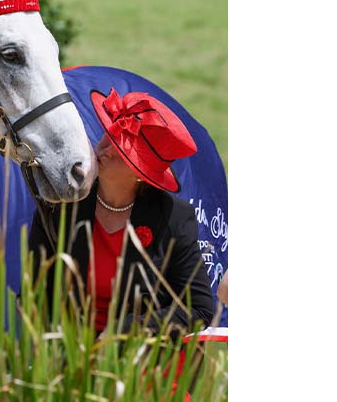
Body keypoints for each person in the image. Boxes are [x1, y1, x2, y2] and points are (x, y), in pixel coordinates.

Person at [29, 88, 215, 336]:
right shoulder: (61, 202)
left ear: (141, 174)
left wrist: (128, 330)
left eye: (118, 152)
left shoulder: (174, 218)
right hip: (66, 348)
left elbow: (200, 309)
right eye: (106, 138)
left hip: (137, 355)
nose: (102, 151)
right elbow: (35, 291)